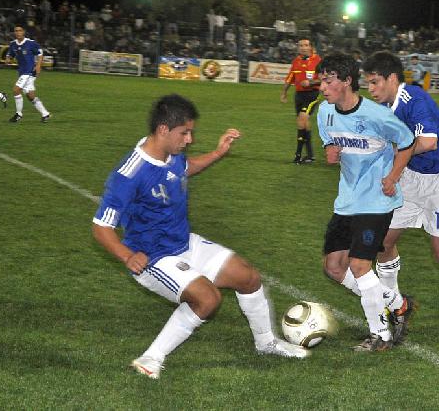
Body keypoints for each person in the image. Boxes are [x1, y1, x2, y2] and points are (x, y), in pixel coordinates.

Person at [91, 94, 310, 380]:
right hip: (153, 258)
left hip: (184, 242)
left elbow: (185, 168)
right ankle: (151, 357)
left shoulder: (171, 155)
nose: (190, 139)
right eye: (185, 132)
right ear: (163, 130)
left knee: (248, 277)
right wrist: (127, 256)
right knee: (207, 299)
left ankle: (266, 343)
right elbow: (100, 226)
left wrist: (218, 153)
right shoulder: (130, 173)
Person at [363, 51, 439, 343]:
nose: (371, 89)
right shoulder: (384, 107)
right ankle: (395, 305)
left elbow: (428, 142)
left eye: (375, 82)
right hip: (411, 179)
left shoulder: (414, 98)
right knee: (382, 242)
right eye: (368, 84)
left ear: (391, 78)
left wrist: (396, 155)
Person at [315, 53, 416, 352]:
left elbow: (408, 141)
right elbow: (330, 141)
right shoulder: (325, 112)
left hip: (376, 200)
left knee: (359, 265)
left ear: (346, 81)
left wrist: (393, 176)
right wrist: (330, 149)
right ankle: (399, 304)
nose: (322, 87)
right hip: (347, 199)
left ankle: (381, 335)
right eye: (322, 80)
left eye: (328, 80)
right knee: (334, 267)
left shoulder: (377, 116)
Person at [278, 38, 322, 164]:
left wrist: (311, 82)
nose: (303, 47)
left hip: (312, 95)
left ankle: (297, 155)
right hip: (299, 96)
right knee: (303, 123)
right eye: (301, 45)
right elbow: (290, 78)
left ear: (311, 47)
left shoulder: (318, 60)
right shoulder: (296, 61)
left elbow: (323, 79)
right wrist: (284, 92)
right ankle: (310, 155)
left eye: (306, 45)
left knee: (302, 118)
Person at [5, 25, 52, 123]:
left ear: (24, 32)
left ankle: (18, 114)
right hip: (22, 72)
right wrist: (8, 59)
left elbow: (40, 53)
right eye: (16, 31)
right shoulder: (13, 44)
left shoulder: (30, 43)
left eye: (20, 30)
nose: (18, 33)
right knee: (30, 95)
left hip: (29, 72)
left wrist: (38, 66)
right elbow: (10, 54)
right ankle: (45, 114)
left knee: (16, 90)